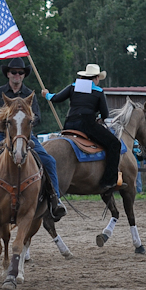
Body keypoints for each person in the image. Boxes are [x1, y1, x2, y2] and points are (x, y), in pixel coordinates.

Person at [0, 57, 66, 222]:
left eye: (20, 72)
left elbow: (37, 116)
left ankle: (55, 199)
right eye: (14, 72)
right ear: (8, 74)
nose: (17, 75)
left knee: (49, 161)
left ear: (24, 75)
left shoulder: (29, 94)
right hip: (4, 137)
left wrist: (28, 121)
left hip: (27, 136)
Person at [42, 64, 123, 193]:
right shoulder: (98, 91)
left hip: (69, 124)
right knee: (114, 144)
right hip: (87, 125)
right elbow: (105, 114)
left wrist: (46, 94)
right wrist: (99, 118)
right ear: (95, 78)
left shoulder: (73, 87)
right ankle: (109, 181)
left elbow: (55, 98)